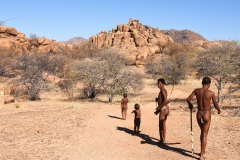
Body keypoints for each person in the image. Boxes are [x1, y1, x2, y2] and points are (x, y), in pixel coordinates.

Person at [186, 77, 221, 160]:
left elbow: (188, 99)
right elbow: (215, 104)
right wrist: (219, 110)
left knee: (202, 132)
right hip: (206, 113)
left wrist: (190, 105)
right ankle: (201, 155)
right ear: (209, 84)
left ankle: (202, 151)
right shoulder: (211, 93)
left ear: (202, 83)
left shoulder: (196, 91)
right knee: (204, 134)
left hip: (199, 114)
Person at [155, 78, 169, 144]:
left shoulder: (163, 90)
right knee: (163, 124)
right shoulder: (162, 90)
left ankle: (161, 139)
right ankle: (164, 138)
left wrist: (158, 107)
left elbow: (166, 100)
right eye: (158, 83)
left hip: (163, 109)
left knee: (161, 124)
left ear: (163, 84)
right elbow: (164, 99)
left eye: (160, 83)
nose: (158, 85)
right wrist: (158, 99)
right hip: (165, 108)